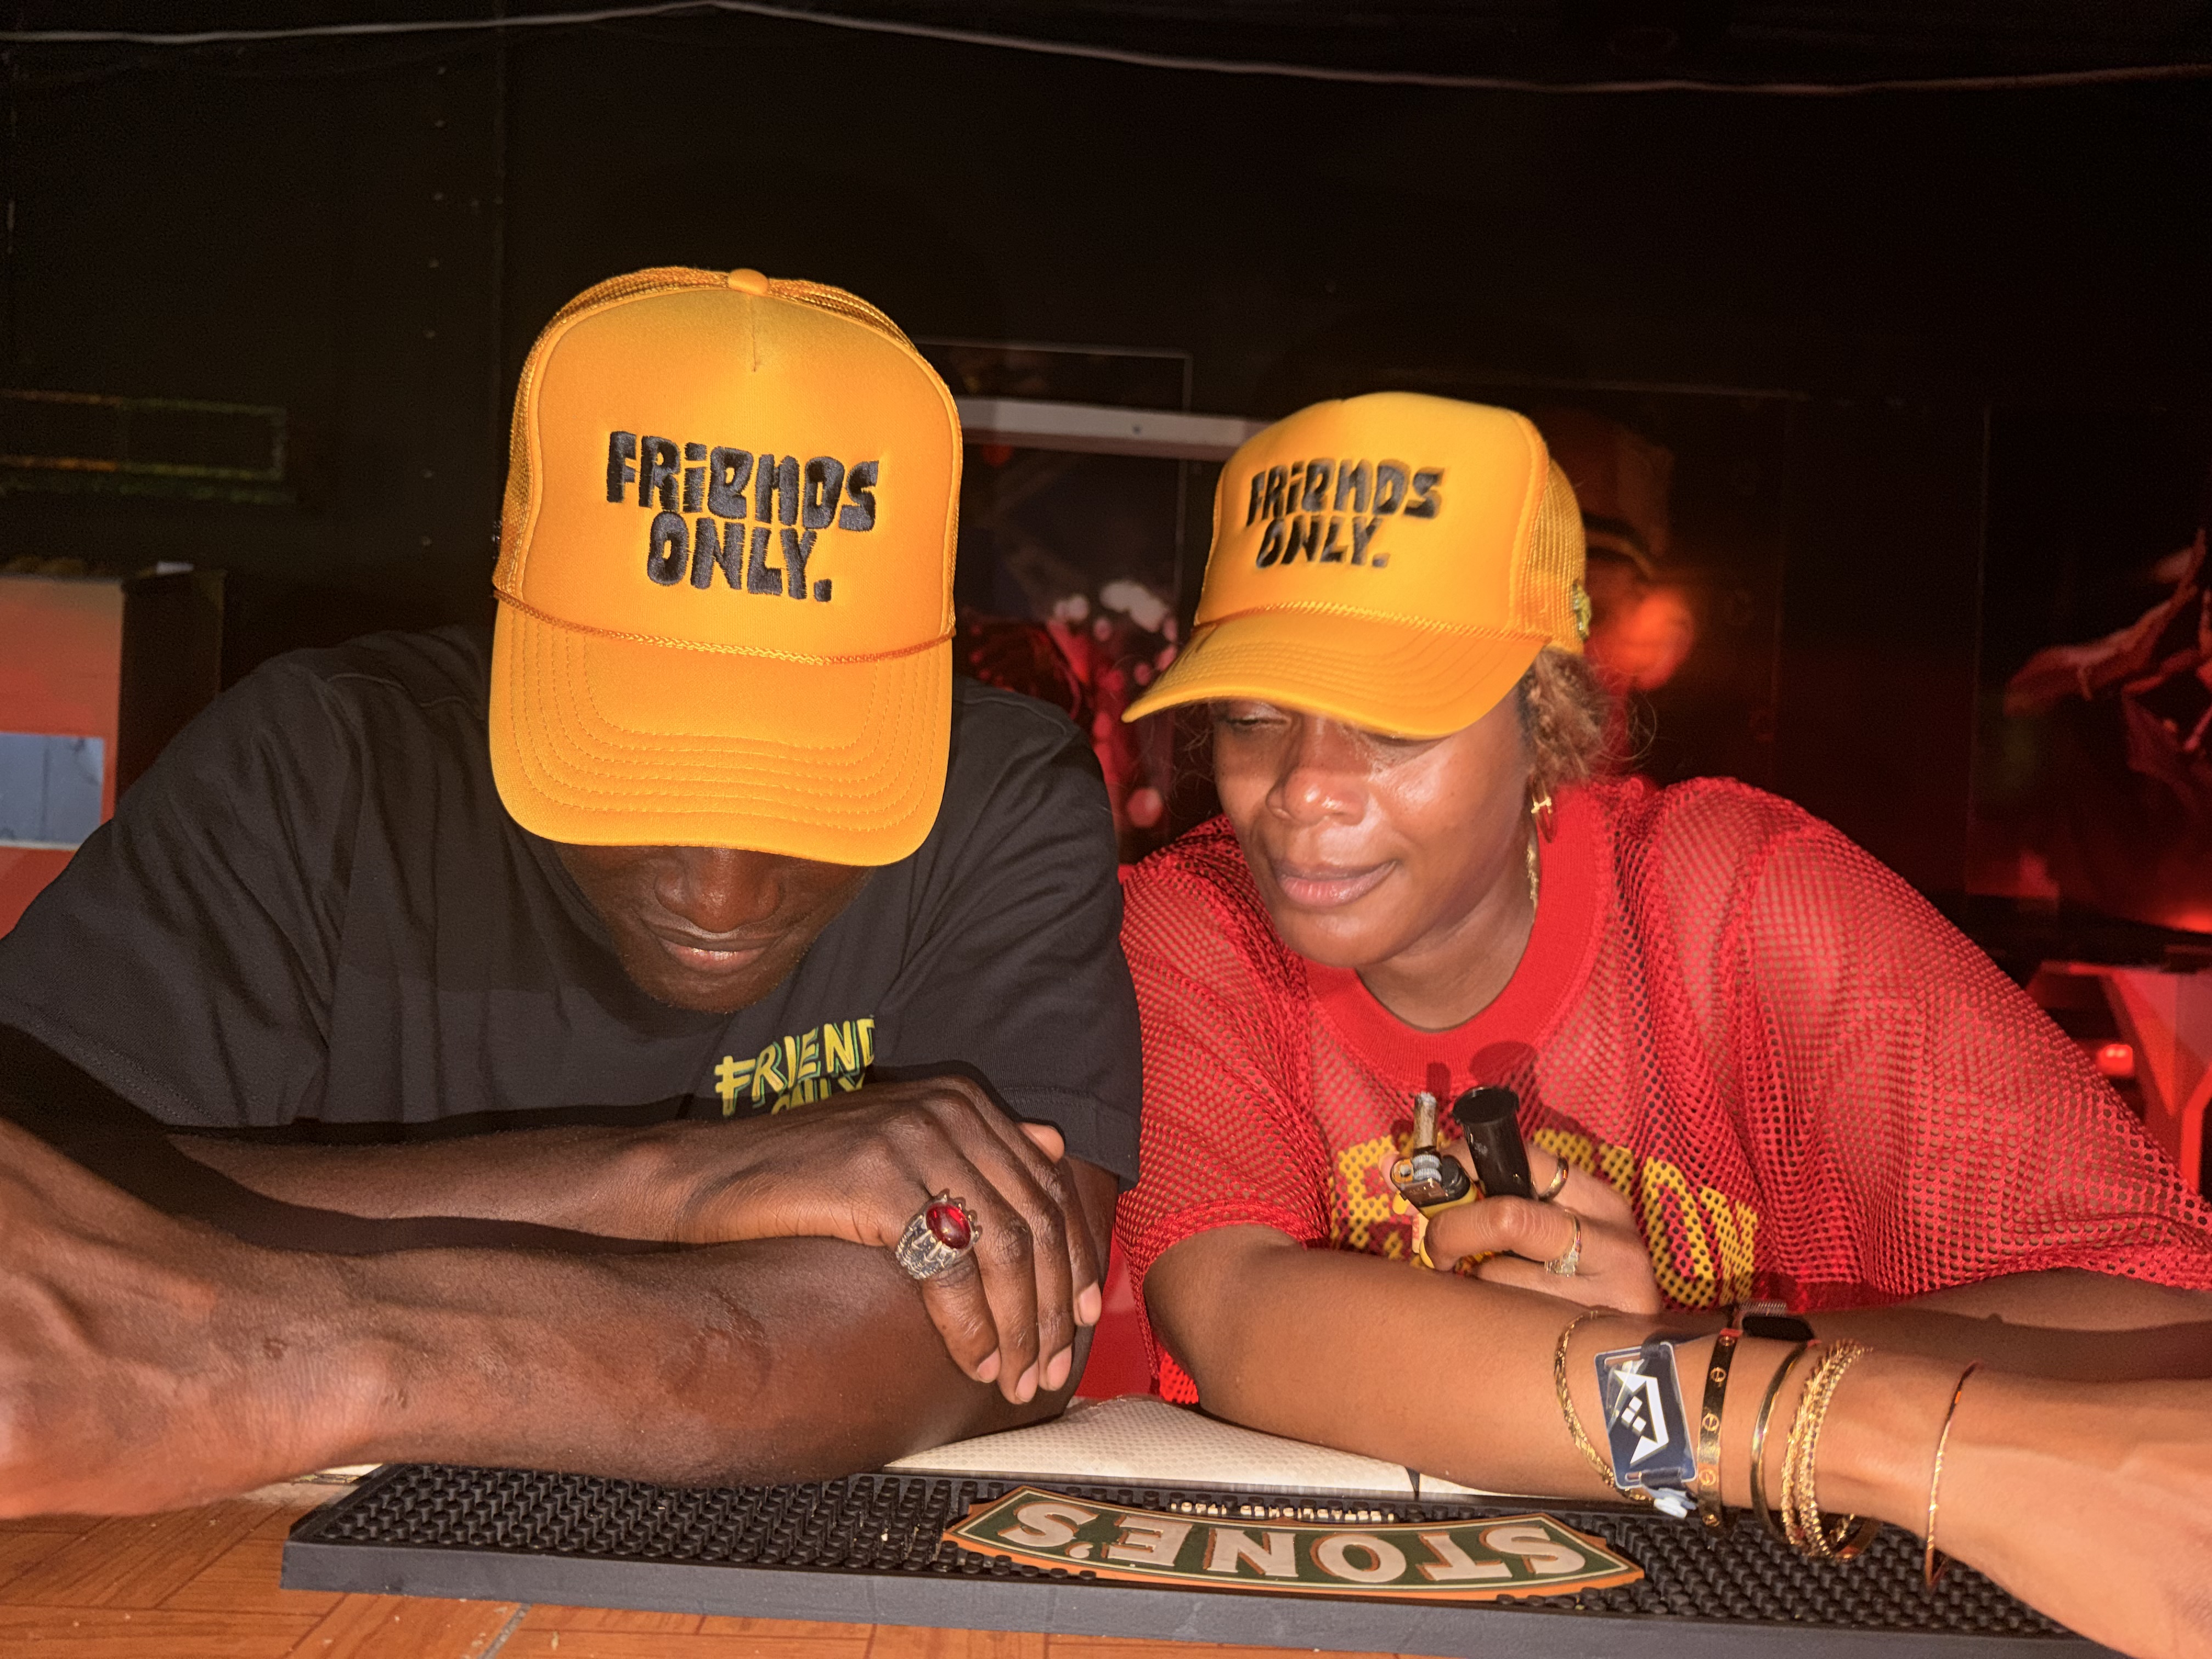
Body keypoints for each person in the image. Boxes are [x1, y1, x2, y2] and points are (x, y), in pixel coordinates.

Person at [0, 267, 1140, 1518]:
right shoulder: (320, 765)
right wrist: (674, 1183)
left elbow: (988, 1336)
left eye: (815, 798)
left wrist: (312, 1359)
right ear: (512, 633)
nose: (722, 895)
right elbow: (41, 1216)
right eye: (633, 782)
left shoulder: (1003, 799)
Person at [1112, 392, 2212, 1658]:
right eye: (1256, 717)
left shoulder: (1738, 903)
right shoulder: (1194, 927)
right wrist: (1804, 1425)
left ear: (1546, 721)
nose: (1302, 787)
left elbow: (2167, 1310)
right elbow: (1245, 1319)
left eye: (1392, 719)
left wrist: (1668, 1355)